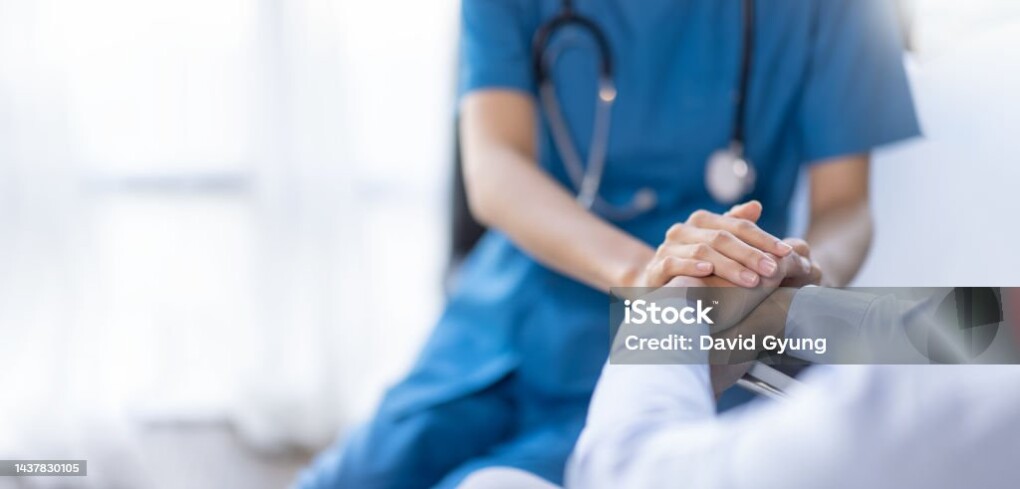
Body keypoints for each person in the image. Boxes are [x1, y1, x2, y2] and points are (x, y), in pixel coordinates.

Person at [295, 0, 919, 487]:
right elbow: (494, 169)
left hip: (713, 327)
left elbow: (845, 208)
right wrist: (648, 270)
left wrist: (802, 278)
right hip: (519, 309)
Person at [563, 283, 1020, 489]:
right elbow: (991, 327)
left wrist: (671, 302)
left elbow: (622, 473)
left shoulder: (942, 417)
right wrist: (789, 309)